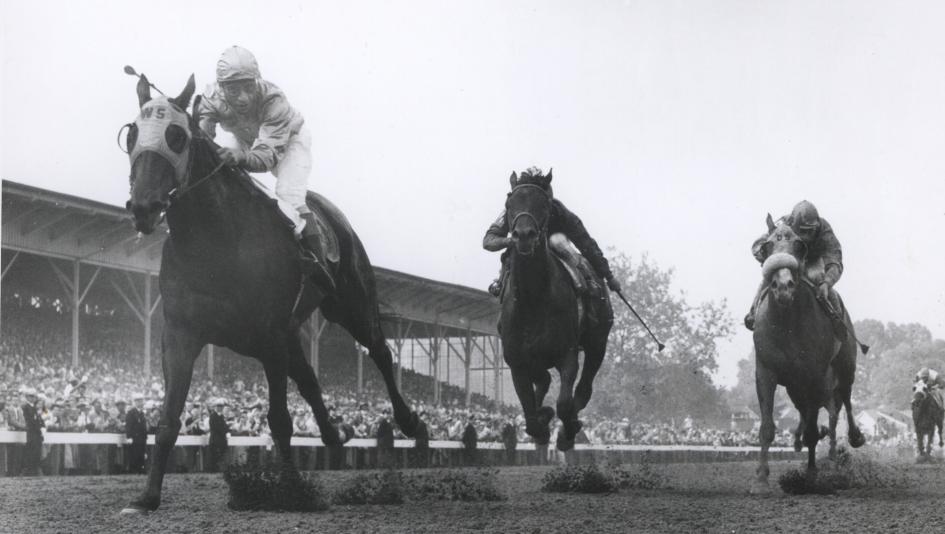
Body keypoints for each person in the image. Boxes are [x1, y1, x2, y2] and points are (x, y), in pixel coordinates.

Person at [195, 45, 335, 294]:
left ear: (257, 80)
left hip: (289, 141)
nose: (243, 98)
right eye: (233, 89)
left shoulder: (274, 100)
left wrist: (238, 157)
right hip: (246, 139)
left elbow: (266, 156)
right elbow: (202, 140)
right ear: (220, 87)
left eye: (249, 86)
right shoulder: (210, 99)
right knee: (217, 175)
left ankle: (318, 264)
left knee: (288, 194)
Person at [483, 167, 621, 297]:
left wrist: (608, 276)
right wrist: (510, 241)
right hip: (521, 254)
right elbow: (488, 241)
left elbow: (585, 242)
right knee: (512, 255)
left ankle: (588, 286)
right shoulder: (513, 209)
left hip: (557, 253)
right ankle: (501, 283)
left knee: (557, 241)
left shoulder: (559, 211)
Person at [745, 200, 844, 334]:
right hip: (791, 259)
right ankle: (753, 311)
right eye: (803, 231)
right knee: (772, 275)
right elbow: (758, 244)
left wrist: (827, 283)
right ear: (793, 226)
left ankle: (836, 318)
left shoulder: (825, 231)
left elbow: (835, 261)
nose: (807, 236)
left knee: (818, 277)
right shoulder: (784, 224)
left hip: (813, 261)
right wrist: (768, 255)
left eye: (811, 231)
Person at [19, 388, 44, 476]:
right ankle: (28, 470)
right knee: (30, 451)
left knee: (36, 451)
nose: (32, 398)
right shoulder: (26, 407)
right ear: (27, 397)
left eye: (34, 396)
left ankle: (34, 470)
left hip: (36, 432)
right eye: (30, 396)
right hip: (31, 432)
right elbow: (29, 420)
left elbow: (37, 420)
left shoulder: (34, 407)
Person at [125, 394, 148, 474]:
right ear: (135, 402)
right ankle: (133, 471)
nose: (140, 403)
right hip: (134, 437)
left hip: (142, 437)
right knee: (134, 454)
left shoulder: (142, 413)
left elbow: (143, 426)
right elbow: (128, 426)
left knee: (141, 454)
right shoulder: (131, 413)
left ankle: (140, 470)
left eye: (141, 401)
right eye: (138, 401)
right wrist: (129, 437)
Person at [207, 399, 230, 472]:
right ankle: (213, 469)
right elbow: (216, 427)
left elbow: (224, 426)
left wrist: (226, 429)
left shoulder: (221, 416)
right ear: (216, 407)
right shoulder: (213, 416)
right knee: (214, 455)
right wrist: (225, 430)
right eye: (218, 407)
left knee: (219, 454)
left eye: (221, 407)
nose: (220, 408)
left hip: (221, 439)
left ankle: (216, 468)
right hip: (215, 439)